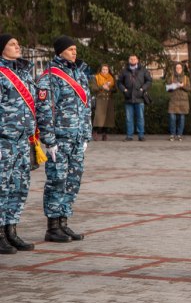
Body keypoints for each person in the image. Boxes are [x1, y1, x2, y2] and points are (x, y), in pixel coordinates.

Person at [36, 36, 92, 242]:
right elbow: (44, 110)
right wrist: (49, 141)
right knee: (57, 180)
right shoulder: (51, 76)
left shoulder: (80, 74)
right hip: (60, 139)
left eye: (75, 49)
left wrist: (86, 135)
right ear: (60, 52)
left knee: (72, 181)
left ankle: (63, 222)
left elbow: (86, 107)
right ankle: (52, 227)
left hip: (77, 138)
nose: (74, 52)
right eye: (70, 49)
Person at [0, 34, 37, 253]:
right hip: (4, 140)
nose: (17, 46)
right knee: (2, 187)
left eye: (17, 43)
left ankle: (11, 230)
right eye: (12, 44)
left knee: (19, 186)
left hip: (23, 140)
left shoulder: (22, 73)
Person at [117, 55, 152, 141]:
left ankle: (141, 135)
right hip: (128, 97)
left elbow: (149, 81)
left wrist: (142, 89)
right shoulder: (124, 71)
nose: (133, 60)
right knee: (129, 118)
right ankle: (129, 136)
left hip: (139, 97)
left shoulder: (143, 70)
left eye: (134, 59)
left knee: (140, 118)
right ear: (129, 60)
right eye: (131, 59)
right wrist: (124, 90)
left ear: (137, 60)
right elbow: (119, 82)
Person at [90, 64, 116, 141]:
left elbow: (115, 89)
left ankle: (105, 133)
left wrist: (110, 89)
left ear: (108, 70)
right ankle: (95, 132)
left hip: (109, 100)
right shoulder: (96, 77)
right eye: (103, 69)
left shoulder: (111, 78)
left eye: (106, 70)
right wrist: (102, 87)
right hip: (100, 99)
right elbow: (93, 88)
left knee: (107, 118)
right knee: (98, 118)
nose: (104, 71)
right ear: (100, 70)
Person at [166, 62, 190, 141]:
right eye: (177, 68)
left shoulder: (186, 78)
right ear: (175, 69)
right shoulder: (171, 77)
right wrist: (174, 85)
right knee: (172, 118)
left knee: (181, 118)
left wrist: (183, 86)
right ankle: (172, 134)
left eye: (180, 68)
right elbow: (167, 89)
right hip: (173, 101)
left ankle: (179, 134)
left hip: (183, 101)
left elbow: (189, 89)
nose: (178, 69)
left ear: (182, 69)